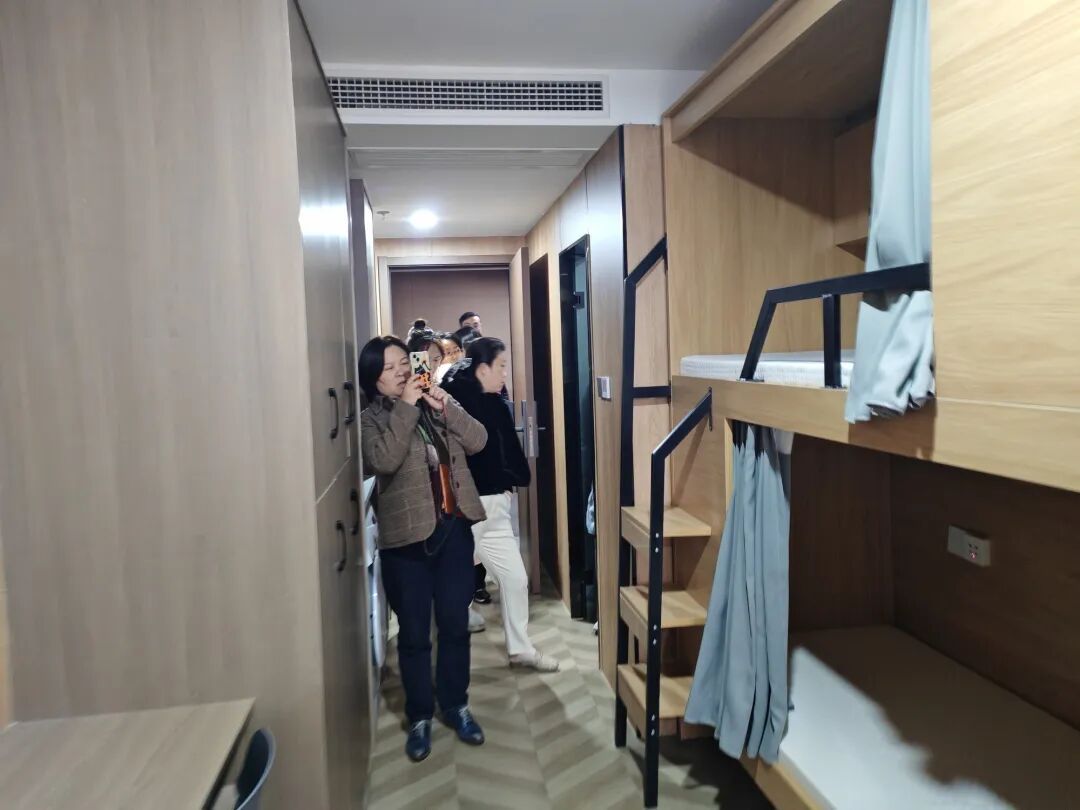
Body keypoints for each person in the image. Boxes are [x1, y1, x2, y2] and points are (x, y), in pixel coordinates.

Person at [358, 335, 489, 762]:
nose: (401, 372)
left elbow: (479, 440)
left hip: (453, 531)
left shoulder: (437, 400)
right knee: (414, 635)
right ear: (374, 380)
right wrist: (407, 407)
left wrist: (445, 406)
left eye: (404, 362)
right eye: (389, 368)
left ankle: (456, 705)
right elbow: (383, 460)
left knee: (454, 625)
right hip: (406, 543)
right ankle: (419, 716)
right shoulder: (371, 420)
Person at [442, 337, 561, 672]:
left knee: (515, 579)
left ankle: (520, 649)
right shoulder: (456, 402)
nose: (505, 373)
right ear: (483, 369)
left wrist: (510, 485)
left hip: (496, 506)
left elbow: (506, 451)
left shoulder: (493, 402)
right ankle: (446, 659)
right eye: (502, 366)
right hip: (470, 506)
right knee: (454, 580)